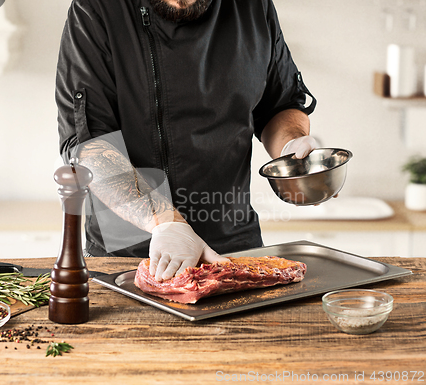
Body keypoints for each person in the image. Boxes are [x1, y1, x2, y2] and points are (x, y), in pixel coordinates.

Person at [56, 0, 318, 282]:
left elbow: (279, 105)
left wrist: (291, 145)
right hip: (129, 254)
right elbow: (89, 144)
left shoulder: (254, 7)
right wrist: (166, 223)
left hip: (235, 248)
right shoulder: (97, 9)